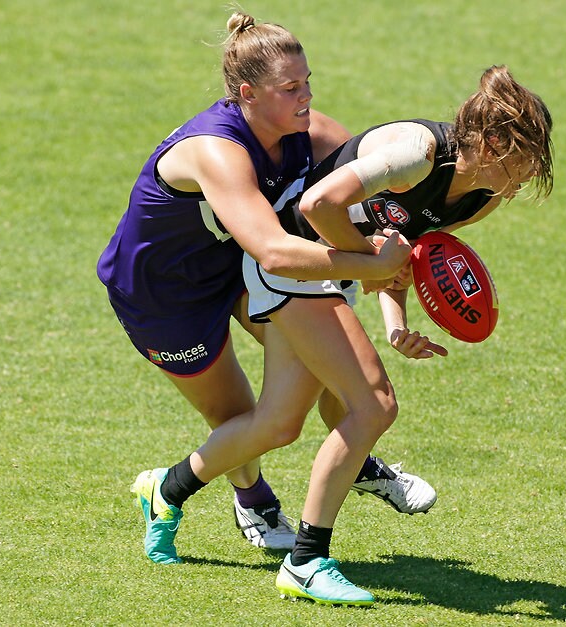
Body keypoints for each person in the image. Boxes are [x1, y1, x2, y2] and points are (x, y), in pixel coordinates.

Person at [155, 64, 554, 606]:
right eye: (528, 156)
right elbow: (316, 206)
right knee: (373, 405)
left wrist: (397, 325)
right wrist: (368, 262)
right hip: (294, 263)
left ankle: (166, 492)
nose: (533, 172)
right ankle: (307, 560)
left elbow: (405, 251)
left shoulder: (483, 196)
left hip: (334, 272)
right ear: (492, 141)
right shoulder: (416, 153)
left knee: (277, 424)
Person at [96, 12, 436, 557]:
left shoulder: (313, 133)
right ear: (247, 94)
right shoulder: (217, 149)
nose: (305, 98)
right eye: (289, 88)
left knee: (320, 372)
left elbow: (379, 219)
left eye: (307, 83)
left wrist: (394, 308)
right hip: (164, 293)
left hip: (238, 270)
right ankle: (233, 498)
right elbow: (276, 249)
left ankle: (358, 459)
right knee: (240, 418)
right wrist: (368, 267)